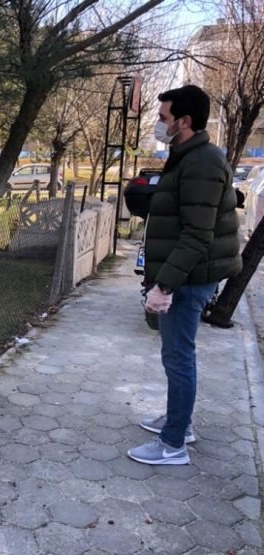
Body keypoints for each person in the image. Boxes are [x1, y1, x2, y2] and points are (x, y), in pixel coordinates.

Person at [127, 85, 241, 465]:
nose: (159, 125)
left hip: (190, 276)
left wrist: (165, 285)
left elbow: (196, 234)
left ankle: (173, 442)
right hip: (186, 272)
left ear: (185, 121)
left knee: (178, 356)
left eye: (163, 118)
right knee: (175, 354)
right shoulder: (187, 155)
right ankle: (179, 421)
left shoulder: (202, 162)